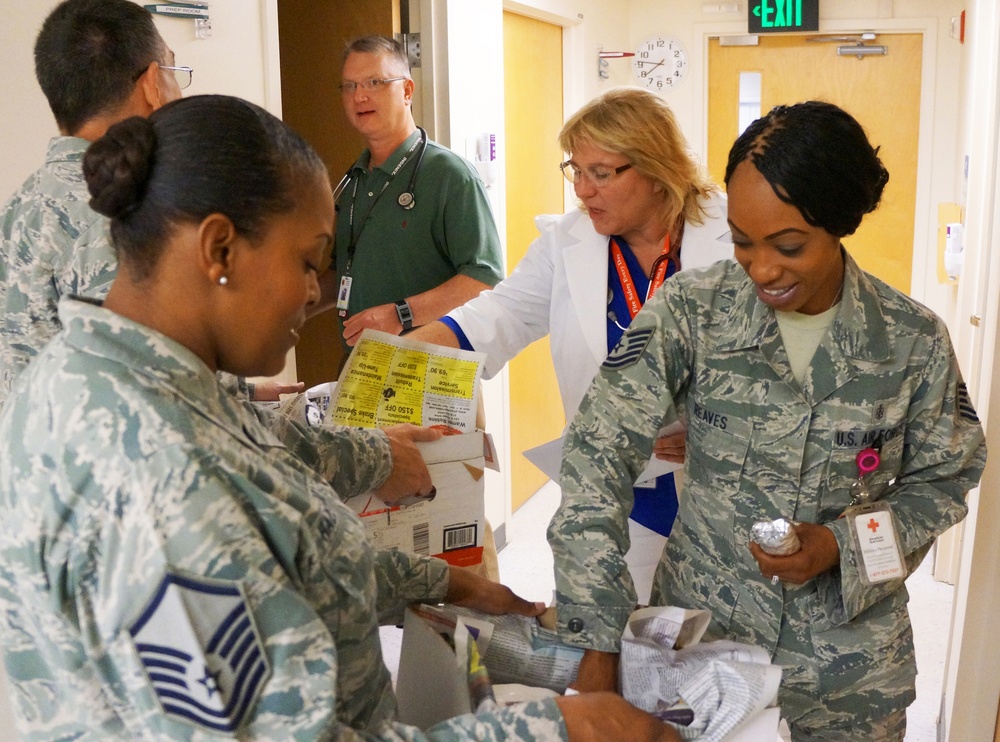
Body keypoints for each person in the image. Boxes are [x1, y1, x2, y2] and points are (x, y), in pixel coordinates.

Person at [0, 94, 679, 742]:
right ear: (219, 250)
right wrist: (563, 728)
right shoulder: (156, 483)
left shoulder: (129, 377)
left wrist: (440, 582)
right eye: (306, 262)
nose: (312, 295)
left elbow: (274, 489)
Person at [549, 100, 987, 740]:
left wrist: (840, 544)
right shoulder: (695, 311)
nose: (761, 269)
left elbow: (944, 483)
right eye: (742, 241)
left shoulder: (910, 340)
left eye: (788, 245)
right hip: (702, 660)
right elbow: (595, 451)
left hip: (846, 678)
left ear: (838, 225)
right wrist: (596, 632)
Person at [410, 87, 732, 602]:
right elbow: (497, 315)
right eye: (575, 170)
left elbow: (785, 358)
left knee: (717, 654)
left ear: (656, 168)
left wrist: (726, 436)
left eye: (600, 173)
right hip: (621, 491)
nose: (582, 190)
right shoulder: (568, 244)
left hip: (727, 487)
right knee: (619, 643)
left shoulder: (736, 235)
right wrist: (393, 361)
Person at [0, 0, 297, 404]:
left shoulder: (18, 209)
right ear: (153, 84)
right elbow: (163, 397)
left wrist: (239, 392)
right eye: (176, 72)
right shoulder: (118, 216)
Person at [318, 35, 504, 352]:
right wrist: (288, 305)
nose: (359, 96)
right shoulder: (354, 181)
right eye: (349, 86)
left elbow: (484, 279)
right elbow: (343, 273)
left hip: (433, 372)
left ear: (406, 91)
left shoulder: (449, 175)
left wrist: (401, 314)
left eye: (374, 82)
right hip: (364, 367)